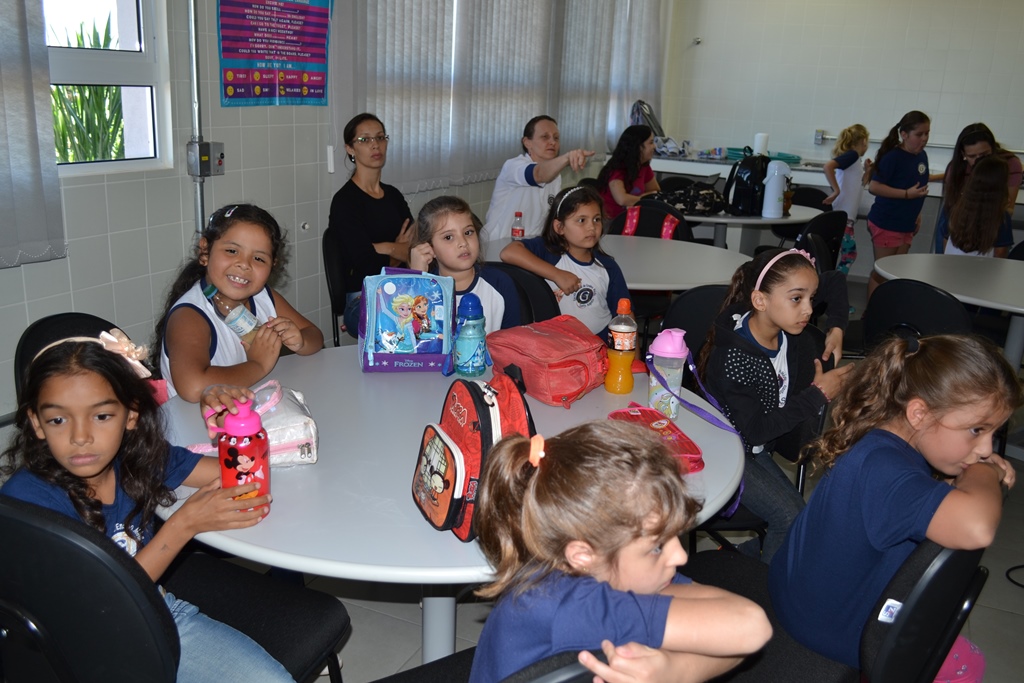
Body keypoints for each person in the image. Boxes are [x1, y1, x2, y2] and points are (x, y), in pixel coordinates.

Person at [0, 335, 294, 683]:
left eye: (102, 416)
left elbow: (237, 475)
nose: (81, 437)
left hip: (154, 614)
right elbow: (98, 607)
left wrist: (232, 429)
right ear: (36, 423)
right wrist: (182, 526)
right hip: (77, 649)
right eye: (58, 420)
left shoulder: (137, 459)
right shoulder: (26, 505)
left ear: (131, 415)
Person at [769, 335, 1021, 677]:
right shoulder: (883, 470)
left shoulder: (885, 441)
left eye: (993, 434)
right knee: (969, 662)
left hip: (804, 600)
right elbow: (977, 527)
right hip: (832, 630)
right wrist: (985, 472)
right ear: (919, 413)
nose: (986, 449)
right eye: (976, 430)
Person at [469, 420, 773, 683]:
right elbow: (751, 626)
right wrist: (677, 673)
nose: (680, 557)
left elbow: (738, 636)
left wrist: (673, 670)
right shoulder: (569, 606)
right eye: (657, 547)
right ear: (583, 555)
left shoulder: (577, 557)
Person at [697, 249, 855, 563]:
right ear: (760, 301)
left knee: (800, 520)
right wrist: (817, 395)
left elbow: (835, 281)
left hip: (756, 446)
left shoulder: (785, 327)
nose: (809, 310)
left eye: (811, 298)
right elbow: (756, 431)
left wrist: (837, 327)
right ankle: (763, 584)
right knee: (790, 517)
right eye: (797, 299)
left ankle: (746, 557)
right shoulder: (735, 359)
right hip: (727, 448)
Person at [155, 203, 323, 402]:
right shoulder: (189, 316)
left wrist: (300, 341)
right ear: (205, 252)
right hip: (196, 420)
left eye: (258, 258)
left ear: (272, 265)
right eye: (232, 251)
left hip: (246, 410)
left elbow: (315, 336)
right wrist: (258, 365)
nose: (244, 264)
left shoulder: (264, 297)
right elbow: (193, 387)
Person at [499, 185, 629, 337]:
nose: (591, 227)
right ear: (559, 227)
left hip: (600, 345)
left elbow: (626, 317)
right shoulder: (547, 252)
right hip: (554, 345)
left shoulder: (607, 266)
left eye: (596, 219)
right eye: (581, 220)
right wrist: (556, 274)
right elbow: (509, 252)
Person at [328, 113, 415, 337]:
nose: (375, 145)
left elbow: (415, 248)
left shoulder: (393, 195)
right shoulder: (345, 202)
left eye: (380, 137)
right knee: (398, 323)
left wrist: (384, 248)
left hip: (404, 290)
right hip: (363, 297)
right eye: (365, 140)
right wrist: (398, 250)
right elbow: (366, 265)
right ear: (350, 149)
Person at [482, 115, 594, 252]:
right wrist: (566, 158)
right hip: (497, 248)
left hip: (531, 247)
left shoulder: (555, 176)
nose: (552, 142)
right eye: (545, 137)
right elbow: (538, 175)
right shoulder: (513, 166)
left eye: (556, 138)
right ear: (527, 142)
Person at [409, 196, 519, 334]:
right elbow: (408, 338)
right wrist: (416, 278)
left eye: (468, 232)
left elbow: (515, 341)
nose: (463, 243)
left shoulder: (500, 283)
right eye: (448, 237)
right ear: (429, 247)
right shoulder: (423, 291)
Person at [866, 110, 931, 300]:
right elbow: (874, 187)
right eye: (919, 134)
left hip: (906, 224)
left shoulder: (922, 156)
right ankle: (872, 311)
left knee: (896, 272)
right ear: (904, 134)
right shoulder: (893, 157)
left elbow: (917, 187)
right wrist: (906, 195)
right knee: (882, 272)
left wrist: (917, 214)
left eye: (927, 133)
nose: (924, 138)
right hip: (887, 222)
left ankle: (888, 309)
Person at [936, 123, 1022, 258]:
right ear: (963, 155)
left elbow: (1008, 208)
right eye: (972, 156)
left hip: (991, 220)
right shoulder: (956, 169)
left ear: (993, 149)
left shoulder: (1009, 164)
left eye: (984, 154)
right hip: (957, 219)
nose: (979, 161)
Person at [823, 124, 872, 274]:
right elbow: (828, 166)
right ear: (864, 141)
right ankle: (834, 283)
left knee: (845, 254)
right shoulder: (853, 155)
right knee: (849, 255)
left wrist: (867, 171)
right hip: (842, 216)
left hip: (845, 216)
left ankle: (832, 282)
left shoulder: (854, 160)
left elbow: (859, 184)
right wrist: (836, 190)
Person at [945, 155, 1010, 257]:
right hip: (983, 265)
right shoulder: (1001, 217)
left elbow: (945, 240)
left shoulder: (956, 208)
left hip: (951, 262)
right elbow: (1000, 252)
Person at [597, 124, 660, 220]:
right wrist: (644, 199)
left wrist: (641, 198)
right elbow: (622, 200)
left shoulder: (643, 166)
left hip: (632, 217)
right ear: (638, 146)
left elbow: (656, 191)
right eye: (651, 143)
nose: (654, 146)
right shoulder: (617, 168)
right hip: (611, 220)